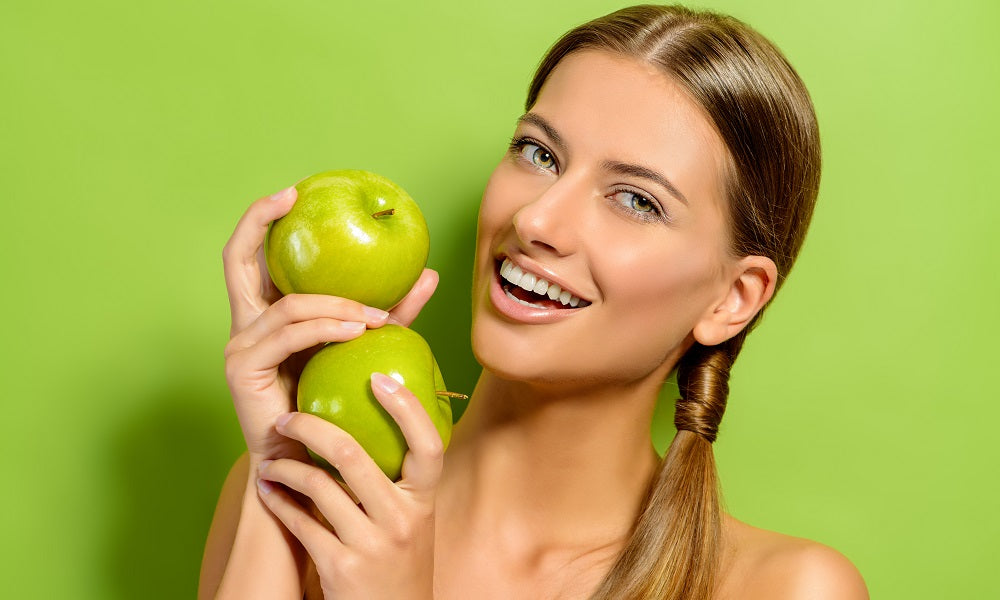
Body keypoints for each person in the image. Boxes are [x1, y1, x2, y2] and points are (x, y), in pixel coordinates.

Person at [200, 4, 868, 599]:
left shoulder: (787, 589)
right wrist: (280, 462)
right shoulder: (294, 495)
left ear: (731, 299)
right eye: (538, 153)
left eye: (637, 201)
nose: (537, 220)